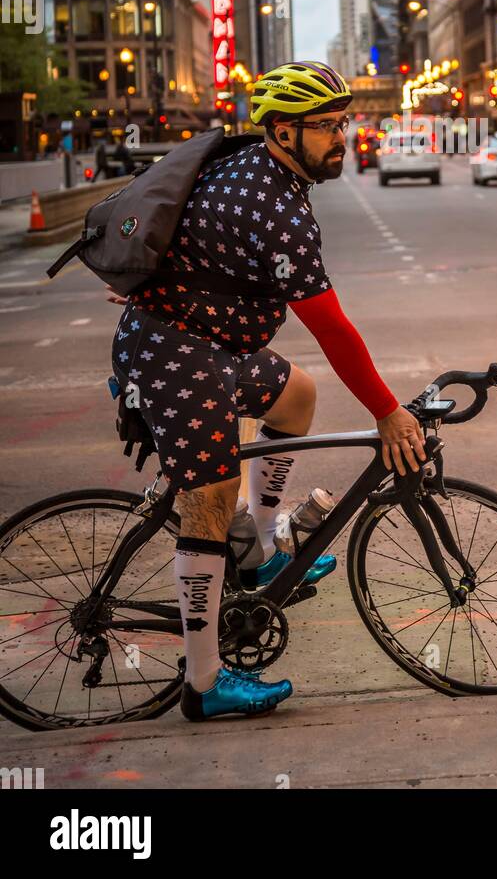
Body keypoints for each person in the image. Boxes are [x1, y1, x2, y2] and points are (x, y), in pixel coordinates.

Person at [109, 62, 426, 723]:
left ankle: (257, 549)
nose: (340, 137)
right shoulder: (275, 206)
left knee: (297, 395)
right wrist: (387, 412)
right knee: (210, 497)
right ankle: (204, 683)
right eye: (324, 127)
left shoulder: (258, 167)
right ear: (282, 131)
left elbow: (186, 225)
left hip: (209, 342)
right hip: (174, 349)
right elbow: (332, 328)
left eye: (342, 123)